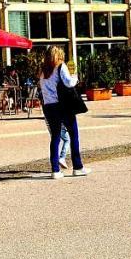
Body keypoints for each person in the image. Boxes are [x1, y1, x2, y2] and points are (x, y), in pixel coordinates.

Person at [38, 46, 86, 179]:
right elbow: (69, 83)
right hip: (62, 105)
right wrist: (75, 78)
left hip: (48, 106)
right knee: (73, 134)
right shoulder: (60, 66)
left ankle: (55, 170)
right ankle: (78, 167)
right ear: (58, 55)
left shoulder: (43, 71)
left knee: (55, 137)